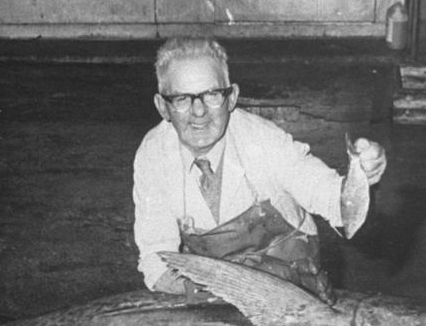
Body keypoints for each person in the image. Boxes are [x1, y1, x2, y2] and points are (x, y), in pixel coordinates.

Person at [132, 36, 386, 303]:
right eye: (182, 99)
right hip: (213, 292)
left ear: (232, 98)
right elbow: (156, 257)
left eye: (212, 95)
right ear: (163, 107)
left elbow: (329, 196)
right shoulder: (153, 155)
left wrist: (363, 177)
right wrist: (214, 295)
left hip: (294, 284)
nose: (199, 111)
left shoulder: (263, 140)